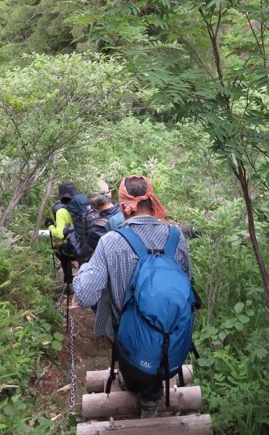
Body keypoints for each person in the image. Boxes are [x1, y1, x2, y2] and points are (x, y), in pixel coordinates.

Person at [73, 174, 191, 418]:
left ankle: (144, 393)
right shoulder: (177, 238)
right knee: (152, 358)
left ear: (124, 207)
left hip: (128, 343)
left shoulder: (110, 242)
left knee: (132, 356)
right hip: (174, 342)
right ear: (151, 201)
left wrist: (83, 268)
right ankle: (151, 395)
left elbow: (84, 296)